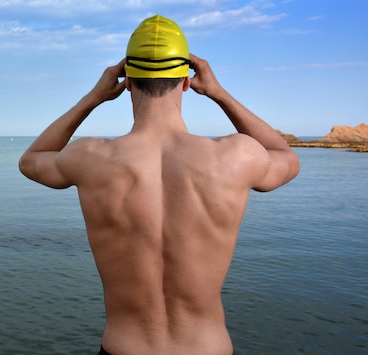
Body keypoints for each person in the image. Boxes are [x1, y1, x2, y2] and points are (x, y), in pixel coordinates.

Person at [18, 14, 299, 355]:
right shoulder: (235, 155)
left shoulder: (90, 157)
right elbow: (285, 156)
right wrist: (219, 93)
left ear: (128, 83)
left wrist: (92, 97)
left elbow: (32, 159)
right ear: (185, 81)